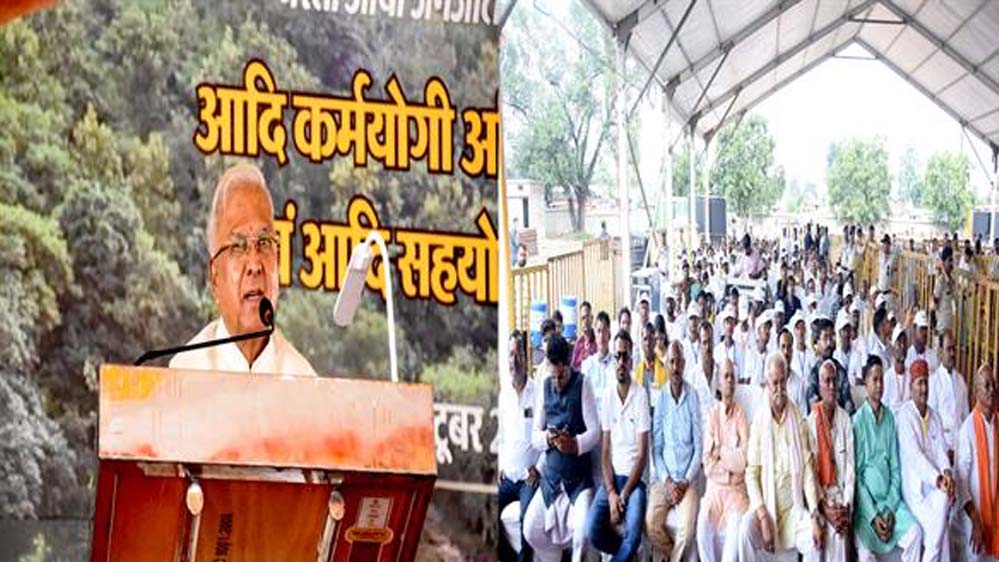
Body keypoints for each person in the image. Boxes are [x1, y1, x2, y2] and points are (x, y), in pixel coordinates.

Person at [171, 163, 315, 375]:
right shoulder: (185, 373)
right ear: (215, 277)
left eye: (264, 243)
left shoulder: (303, 380)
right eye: (238, 246)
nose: (255, 265)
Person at [738, 352, 824, 562]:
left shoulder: (798, 420)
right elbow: (751, 474)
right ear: (767, 385)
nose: (779, 389)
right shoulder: (759, 421)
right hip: (766, 508)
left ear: (787, 381)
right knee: (745, 531)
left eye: (782, 382)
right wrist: (762, 515)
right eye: (774, 383)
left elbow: (808, 470)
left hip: (793, 511)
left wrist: (814, 513)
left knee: (816, 539)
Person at [525, 335, 600, 562]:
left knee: (582, 537)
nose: (557, 382)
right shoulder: (545, 386)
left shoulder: (583, 384)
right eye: (553, 376)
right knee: (530, 529)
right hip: (551, 480)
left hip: (578, 483)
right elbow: (535, 436)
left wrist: (575, 444)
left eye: (562, 376)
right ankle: (554, 558)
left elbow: (595, 432)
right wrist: (548, 438)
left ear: (569, 365)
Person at [584, 330, 650, 562]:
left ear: (631, 360)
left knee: (633, 536)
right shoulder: (608, 395)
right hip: (612, 481)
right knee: (591, 530)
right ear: (613, 360)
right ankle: (626, 557)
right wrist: (612, 493)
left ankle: (625, 554)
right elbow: (605, 452)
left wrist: (624, 494)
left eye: (625, 356)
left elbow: (642, 455)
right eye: (617, 356)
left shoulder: (641, 395)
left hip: (634, 483)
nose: (621, 361)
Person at [852, 355, 923, 562]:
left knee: (915, 533)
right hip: (867, 510)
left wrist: (890, 509)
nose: (879, 385)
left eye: (881, 379)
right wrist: (874, 516)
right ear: (865, 382)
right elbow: (858, 477)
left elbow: (895, 469)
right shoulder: (857, 421)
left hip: (891, 503)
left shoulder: (890, 418)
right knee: (865, 555)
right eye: (874, 379)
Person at [647, 341, 702, 562]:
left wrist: (685, 481)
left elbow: (699, 447)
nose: (676, 367)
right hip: (665, 480)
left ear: (684, 364)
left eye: (679, 362)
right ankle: (673, 557)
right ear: (667, 365)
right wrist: (668, 481)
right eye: (672, 362)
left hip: (687, 482)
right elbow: (656, 449)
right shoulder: (660, 398)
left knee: (686, 532)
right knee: (651, 523)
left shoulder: (693, 396)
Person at [896, 359, 955, 562]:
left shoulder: (934, 416)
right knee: (940, 527)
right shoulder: (904, 416)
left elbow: (941, 452)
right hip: (915, 493)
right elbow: (915, 457)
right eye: (919, 383)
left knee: (939, 530)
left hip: (936, 489)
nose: (923, 389)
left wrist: (947, 472)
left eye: (926, 383)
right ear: (911, 387)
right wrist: (938, 480)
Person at [697, 359, 749, 562]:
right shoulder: (712, 415)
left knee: (731, 553)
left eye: (732, 377)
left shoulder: (740, 415)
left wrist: (720, 451)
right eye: (725, 376)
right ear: (718, 382)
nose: (729, 381)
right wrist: (730, 469)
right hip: (714, 491)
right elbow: (708, 465)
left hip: (736, 494)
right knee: (701, 530)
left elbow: (743, 461)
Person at [806, 359, 856, 562]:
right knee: (815, 542)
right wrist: (824, 508)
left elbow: (851, 469)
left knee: (839, 534)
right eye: (826, 381)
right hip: (820, 498)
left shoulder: (845, 420)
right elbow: (809, 474)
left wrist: (846, 506)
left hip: (841, 497)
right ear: (819, 386)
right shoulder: (810, 422)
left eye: (834, 380)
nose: (832, 386)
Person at [499, 330, 541, 562]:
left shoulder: (537, 394)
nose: (513, 360)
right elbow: (502, 436)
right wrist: (501, 465)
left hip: (528, 479)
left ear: (525, 358)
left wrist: (539, 468)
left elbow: (547, 437)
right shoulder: (504, 395)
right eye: (510, 354)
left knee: (528, 523)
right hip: (508, 477)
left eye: (518, 355)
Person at [956, 364, 999, 562]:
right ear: (976, 392)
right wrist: (975, 520)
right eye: (986, 385)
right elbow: (962, 483)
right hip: (975, 515)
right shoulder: (968, 429)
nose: (992, 390)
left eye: (994, 385)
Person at [928, 330, 968, 466]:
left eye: (954, 349)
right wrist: (945, 449)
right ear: (940, 352)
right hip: (941, 449)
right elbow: (931, 423)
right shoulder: (933, 382)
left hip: (960, 448)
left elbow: (965, 418)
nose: (952, 353)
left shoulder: (961, 381)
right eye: (948, 349)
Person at [805, 317, 854, 414]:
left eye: (832, 337)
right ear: (817, 342)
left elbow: (848, 404)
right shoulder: (814, 373)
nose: (829, 343)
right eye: (825, 338)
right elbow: (813, 405)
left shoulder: (840, 371)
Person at [581, 311, 615, 421]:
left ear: (609, 334)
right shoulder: (587, 365)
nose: (602, 336)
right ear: (594, 334)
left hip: (612, 419)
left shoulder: (616, 365)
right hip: (592, 420)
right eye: (599, 331)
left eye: (605, 331)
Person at [779, 328, 809, 417]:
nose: (786, 352)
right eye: (783, 347)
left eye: (789, 347)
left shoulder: (799, 384)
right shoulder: (771, 381)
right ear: (778, 349)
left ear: (792, 351)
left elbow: (803, 416)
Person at [884, 326, 911, 413]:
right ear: (893, 347)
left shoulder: (911, 376)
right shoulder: (888, 377)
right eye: (899, 343)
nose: (902, 347)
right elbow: (884, 407)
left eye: (904, 343)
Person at [933, 247, 955, 338]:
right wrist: (934, 325)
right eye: (949, 260)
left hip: (949, 324)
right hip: (941, 326)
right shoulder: (941, 280)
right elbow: (934, 302)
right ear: (943, 262)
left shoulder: (951, 280)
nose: (951, 263)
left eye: (952, 260)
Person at [571, 301, 597, 370]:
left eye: (587, 317)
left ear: (592, 318)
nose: (585, 321)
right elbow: (573, 367)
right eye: (583, 318)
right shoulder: (578, 343)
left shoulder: (597, 341)